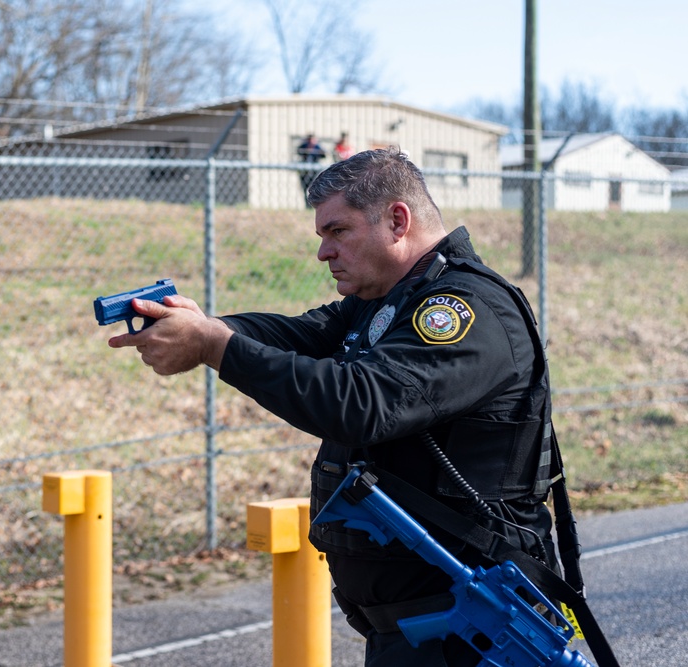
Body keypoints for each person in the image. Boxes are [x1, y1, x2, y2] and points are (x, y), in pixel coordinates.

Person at [107, 147, 561, 667]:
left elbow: (361, 403)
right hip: (428, 625)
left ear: (397, 220)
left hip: (475, 626)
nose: (324, 252)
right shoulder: (391, 300)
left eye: (337, 231)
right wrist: (203, 325)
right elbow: (303, 335)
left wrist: (214, 345)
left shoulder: (463, 310)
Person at [296, 133, 326, 206]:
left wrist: (315, 152)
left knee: (313, 187)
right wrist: (307, 151)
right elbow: (298, 151)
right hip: (305, 172)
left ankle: (312, 203)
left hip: (314, 172)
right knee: (304, 189)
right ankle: (307, 204)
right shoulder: (304, 146)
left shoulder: (317, 147)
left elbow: (323, 155)